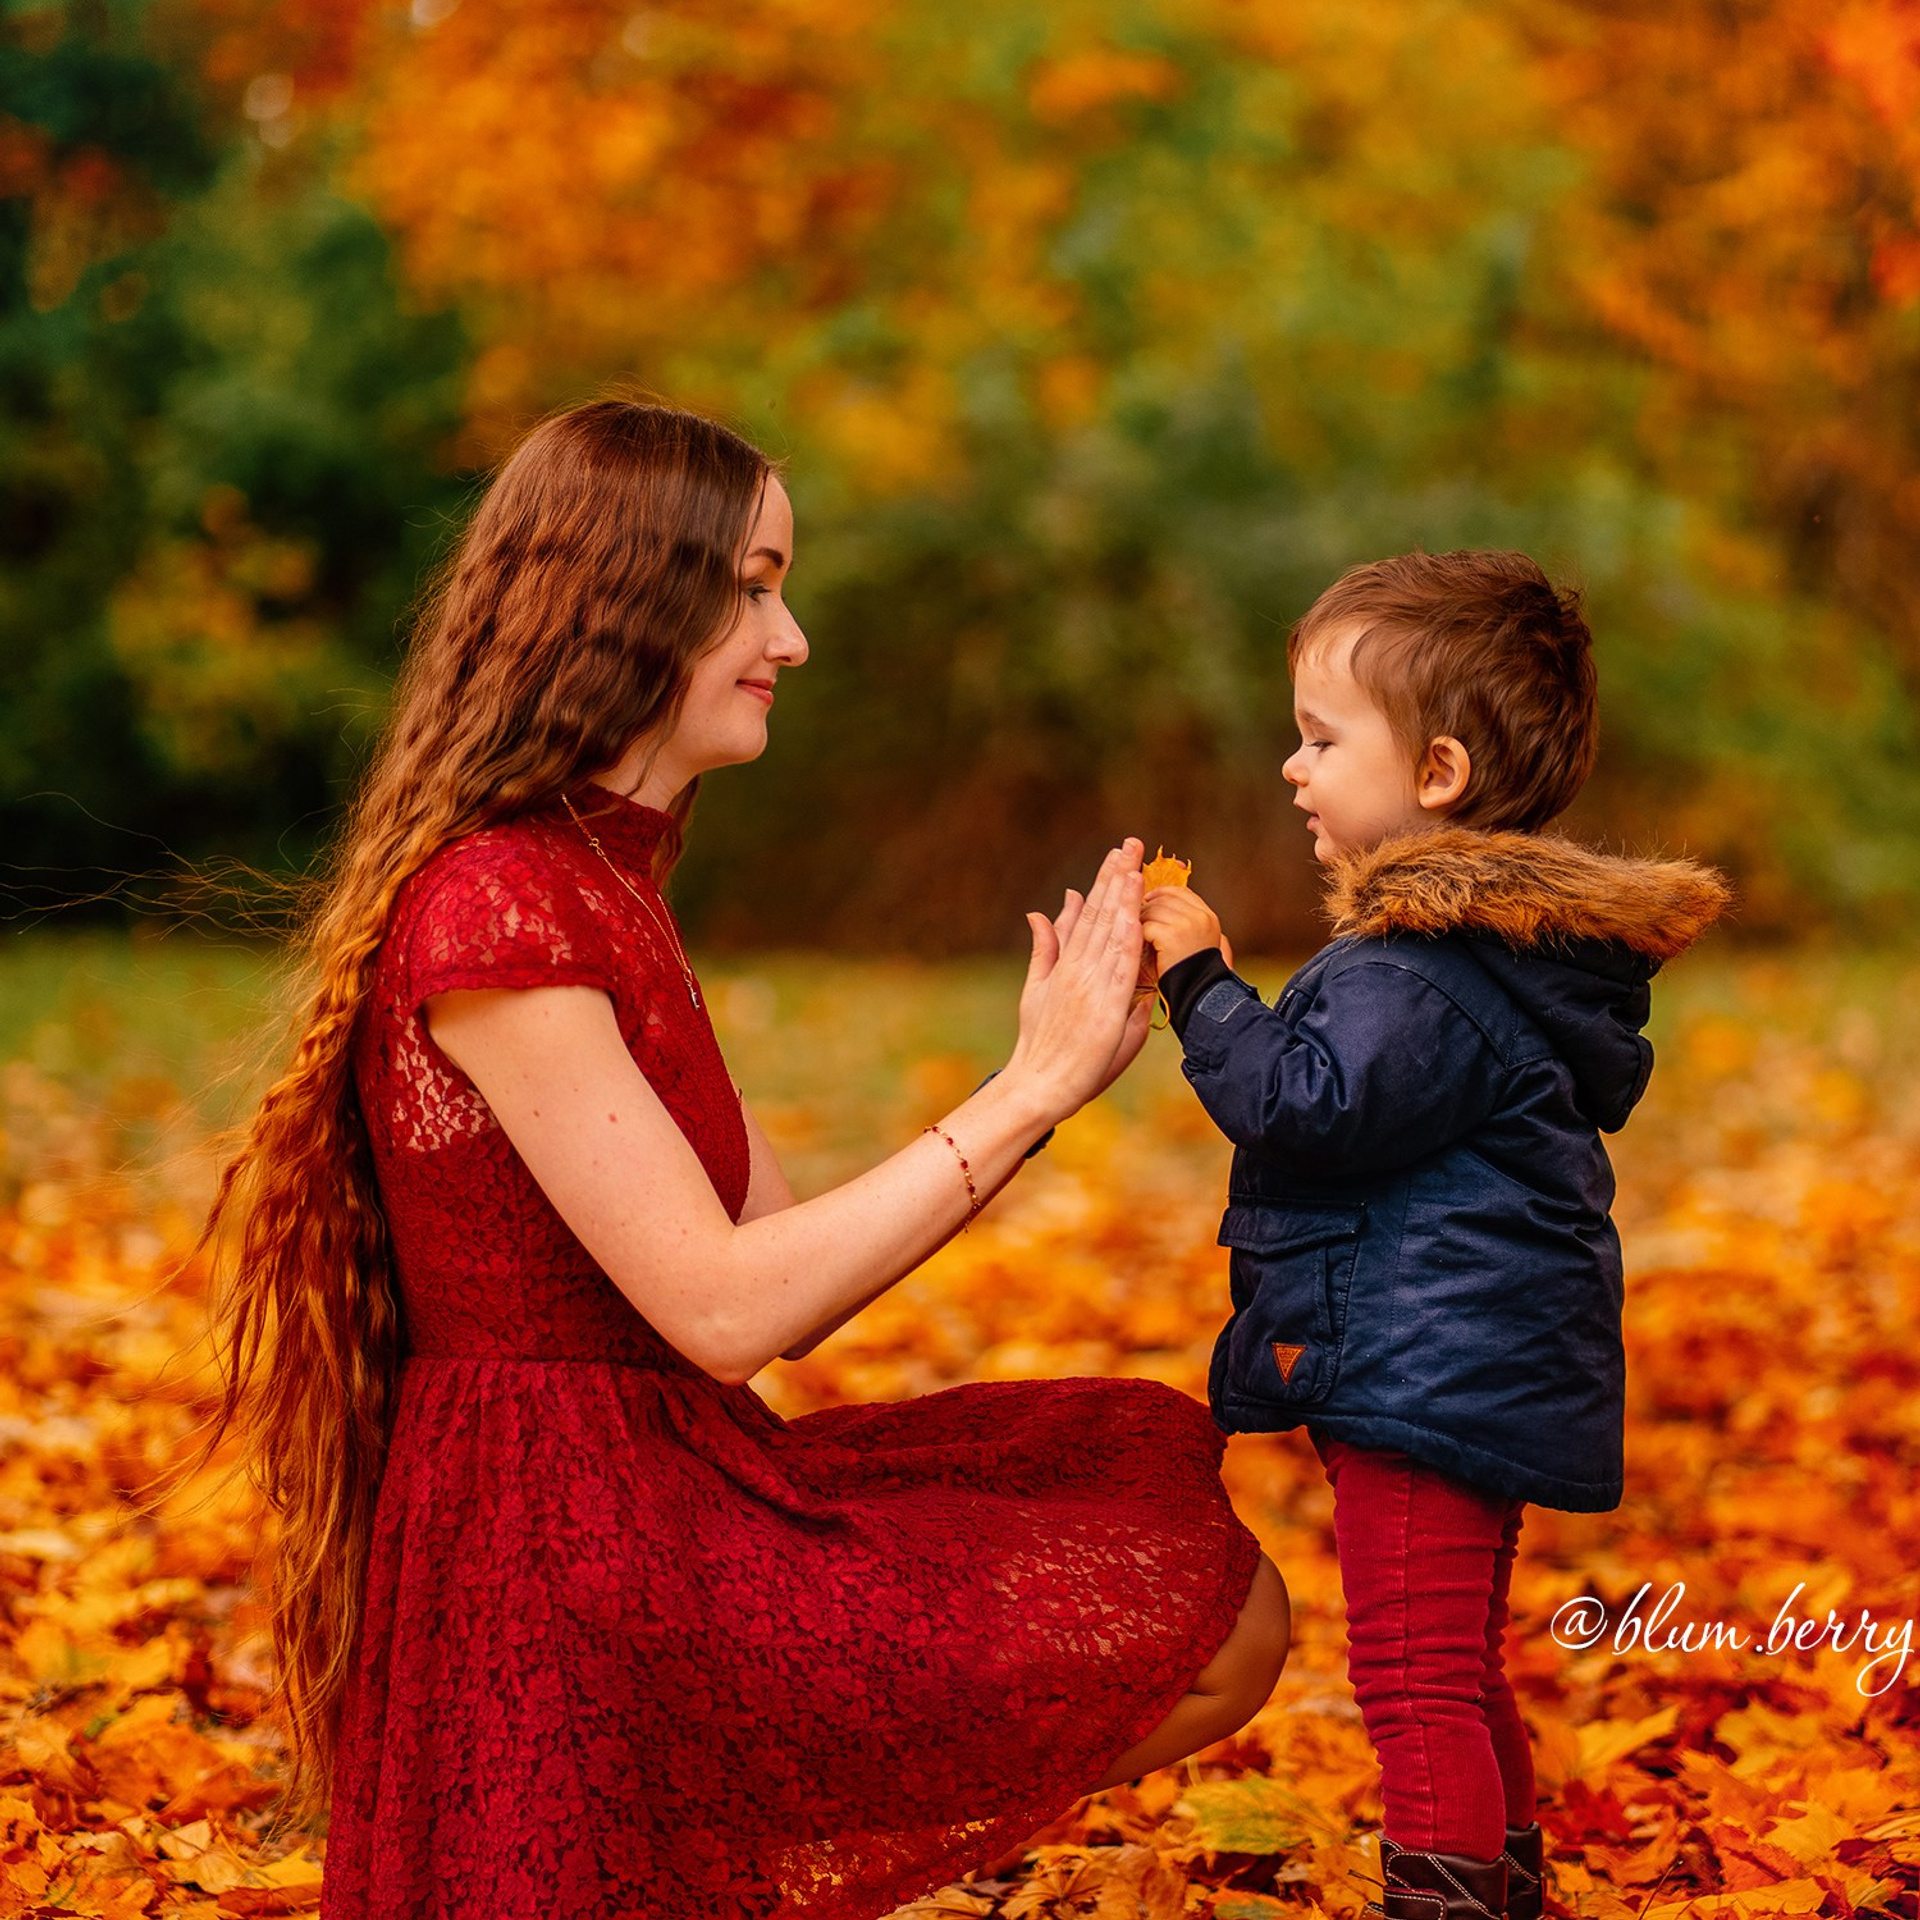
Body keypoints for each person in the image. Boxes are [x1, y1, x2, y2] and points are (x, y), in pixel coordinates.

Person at [196, 399, 1290, 1920]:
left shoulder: (605, 887)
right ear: (633, 599)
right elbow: (722, 1312)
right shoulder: (500, 910)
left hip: (671, 1485)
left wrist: (1038, 1081)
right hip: (568, 1552)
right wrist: (1024, 1094)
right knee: (1205, 1603)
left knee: (1184, 1551)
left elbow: (786, 1258)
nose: (794, 635)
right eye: (758, 584)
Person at [1139, 551, 1730, 1920]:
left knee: (1414, 1680)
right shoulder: (1465, 956)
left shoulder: (1420, 967)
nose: (1295, 768)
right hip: (1457, 1356)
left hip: (1431, 1372)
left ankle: (1452, 1900)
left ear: (1443, 773)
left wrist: (1201, 985)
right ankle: (1504, 1889)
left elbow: (1305, 1107)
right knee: (1454, 1667)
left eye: (1322, 738)